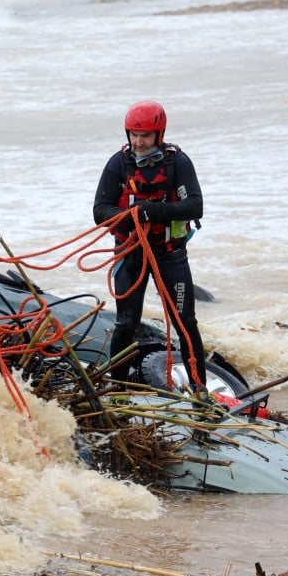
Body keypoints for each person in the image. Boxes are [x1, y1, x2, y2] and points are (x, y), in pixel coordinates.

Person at [92, 100, 208, 392]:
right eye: (133, 134)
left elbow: (195, 205)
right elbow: (99, 211)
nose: (138, 142)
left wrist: (154, 211)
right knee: (125, 323)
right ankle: (117, 389)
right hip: (130, 254)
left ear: (159, 134)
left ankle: (200, 391)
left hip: (170, 256)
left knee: (185, 323)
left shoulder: (177, 163)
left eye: (145, 136)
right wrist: (132, 216)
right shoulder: (118, 163)